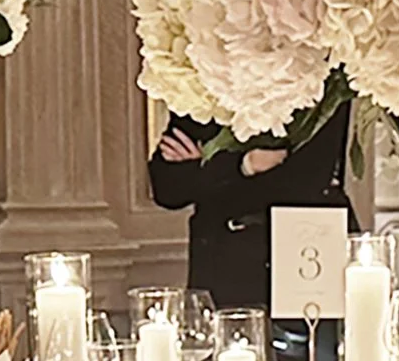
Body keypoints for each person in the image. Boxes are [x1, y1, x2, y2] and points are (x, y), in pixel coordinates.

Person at [148, 105, 357, 314]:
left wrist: (207, 166)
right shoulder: (205, 82)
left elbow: (304, 177)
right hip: (221, 265)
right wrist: (245, 164)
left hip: (304, 260)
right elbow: (167, 188)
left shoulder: (317, 79)